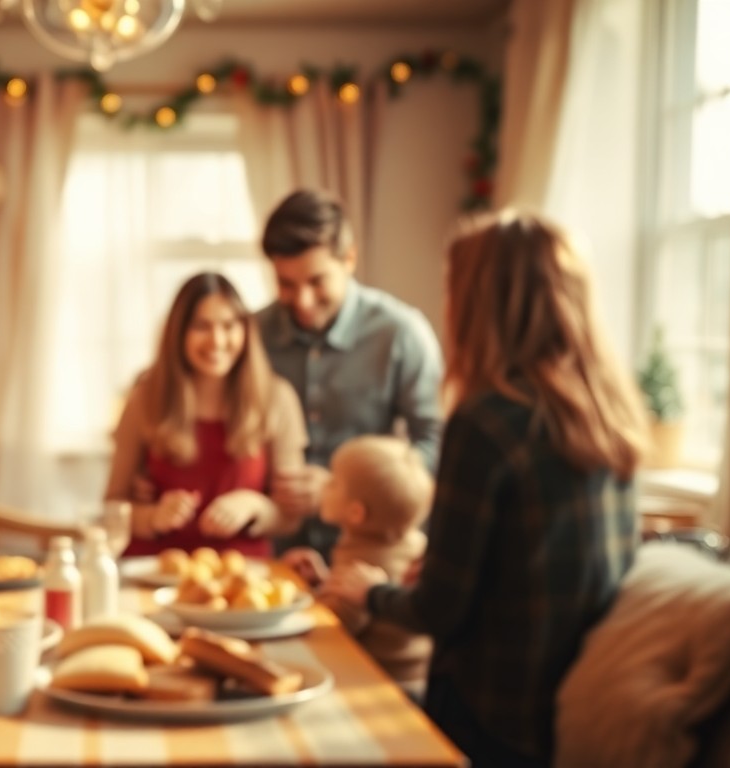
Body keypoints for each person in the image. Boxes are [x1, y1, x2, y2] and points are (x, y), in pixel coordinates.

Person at [324, 211, 650, 767]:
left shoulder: (486, 422)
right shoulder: (608, 413)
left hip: (494, 714)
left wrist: (371, 592)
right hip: (576, 700)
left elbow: (438, 613)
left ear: (480, 302)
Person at [254, 189, 444, 563]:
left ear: (350, 258)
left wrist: (347, 489)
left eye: (316, 281)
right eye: (286, 284)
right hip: (273, 553)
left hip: (371, 559)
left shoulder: (400, 333)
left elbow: (435, 443)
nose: (303, 301)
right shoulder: (252, 334)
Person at [104, 272, 308, 559]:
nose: (217, 340)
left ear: (246, 331)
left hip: (241, 573)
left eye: (229, 325)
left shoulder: (277, 398)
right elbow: (112, 507)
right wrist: (153, 517)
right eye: (202, 326)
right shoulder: (145, 396)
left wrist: (254, 505)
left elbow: (290, 517)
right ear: (179, 333)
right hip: (153, 569)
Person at [288, 435, 433, 696]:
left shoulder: (365, 559)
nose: (324, 486)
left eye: (333, 482)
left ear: (356, 513)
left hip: (381, 684)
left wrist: (305, 597)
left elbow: (336, 625)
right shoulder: (408, 543)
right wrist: (323, 582)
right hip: (416, 679)